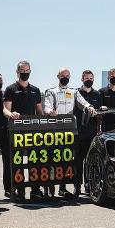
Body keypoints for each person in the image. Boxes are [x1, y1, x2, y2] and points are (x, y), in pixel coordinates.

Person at [3, 60, 43, 200]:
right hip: (16, 131)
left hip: (33, 132)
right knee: (17, 161)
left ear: (30, 71)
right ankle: (19, 190)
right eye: (22, 70)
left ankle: (35, 190)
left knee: (34, 161)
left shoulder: (36, 90)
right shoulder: (10, 89)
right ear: (17, 71)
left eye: (27, 70)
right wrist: (11, 114)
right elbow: (5, 110)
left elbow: (39, 112)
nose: (25, 73)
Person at [44, 67, 76, 198]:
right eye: (63, 75)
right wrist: (50, 111)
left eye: (68, 75)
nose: (65, 77)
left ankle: (62, 188)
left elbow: (83, 103)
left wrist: (89, 107)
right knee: (52, 160)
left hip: (68, 130)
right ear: (58, 76)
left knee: (66, 160)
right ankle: (50, 189)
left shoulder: (74, 92)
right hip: (54, 130)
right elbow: (46, 106)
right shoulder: (51, 91)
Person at [73, 70, 102, 196]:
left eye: (91, 78)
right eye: (86, 78)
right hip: (78, 131)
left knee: (90, 161)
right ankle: (76, 186)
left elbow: (100, 114)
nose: (89, 80)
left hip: (92, 132)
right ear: (82, 79)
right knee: (78, 161)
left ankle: (88, 185)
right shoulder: (76, 92)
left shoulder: (97, 94)